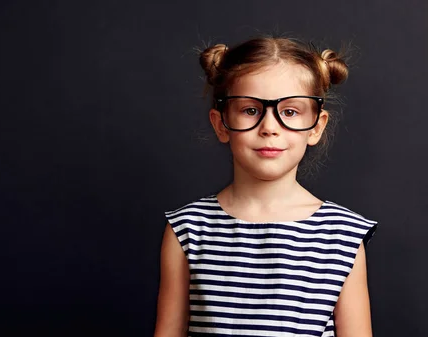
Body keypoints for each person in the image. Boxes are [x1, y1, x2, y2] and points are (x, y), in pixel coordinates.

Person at [154, 35, 378, 337]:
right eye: (250, 110)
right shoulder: (189, 229)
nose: (269, 127)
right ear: (221, 123)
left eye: (290, 112)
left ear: (316, 126)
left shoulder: (342, 235)